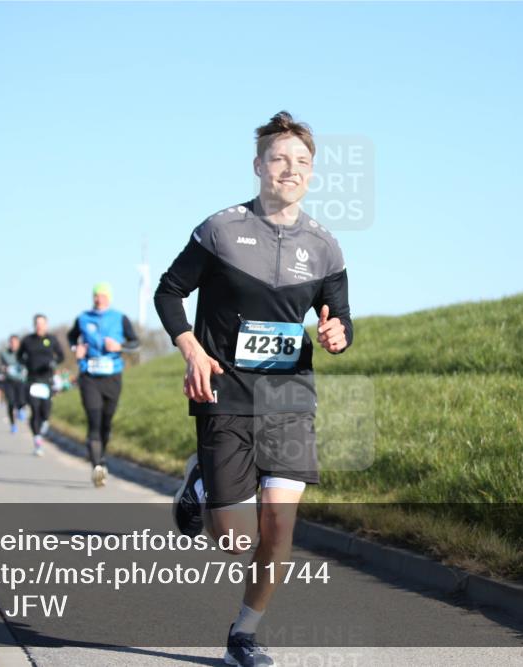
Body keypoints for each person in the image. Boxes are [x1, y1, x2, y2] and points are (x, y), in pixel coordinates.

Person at [154, 111, 353, 667]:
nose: (291, 169)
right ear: (258, 165)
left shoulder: (326, 246)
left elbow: (340, 317)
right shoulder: (220, 230)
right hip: (226, 394)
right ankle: (199, 480)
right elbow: (168, 293)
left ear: (312, 172)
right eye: (279, 158)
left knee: (279, 527)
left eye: (302, 161)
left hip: (290, 399)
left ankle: (244, 634)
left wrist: (338, 333)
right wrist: (191, 349)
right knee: (236, 541)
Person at [67, 282, 140, 487]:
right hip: (89, 376)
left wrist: (120, 346)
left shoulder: (120, 317)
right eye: (96, 296)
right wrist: (76, 349)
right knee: (94, 421)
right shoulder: (83, 318)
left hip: (112, 376)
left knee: (106, 423)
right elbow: (71, 337)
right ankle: (97, 466)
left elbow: (135, 343)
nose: (99, 299)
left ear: (109, 298)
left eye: (103, 296)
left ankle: (102, 456)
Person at [18, 314, 64, 456]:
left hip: (46, 380)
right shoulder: (27, 340)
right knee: (35, 409)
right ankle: (37, 439)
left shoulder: (52, 339)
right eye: (37, 323)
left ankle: (44, 422)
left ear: (46, 325)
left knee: (45, 410)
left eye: (42, 323)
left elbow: (61, 356)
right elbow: (19, 356)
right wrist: (26, 364)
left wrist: (54, 363)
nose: (40, 326)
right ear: (34, 325)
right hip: (32, 380)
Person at [0, 334, 27, 434]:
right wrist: (5, 369)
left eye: (15, 342)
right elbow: (0, 366)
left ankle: (20, 409)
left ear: (18, 343)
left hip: (21, 380)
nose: (13, 344)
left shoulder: (24, 353)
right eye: (11, 342)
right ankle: (13, 424)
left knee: (21, 400)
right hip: (9, 381)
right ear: (9, 343)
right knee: (11, 402)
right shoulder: (4, 354)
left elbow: (29, 363)